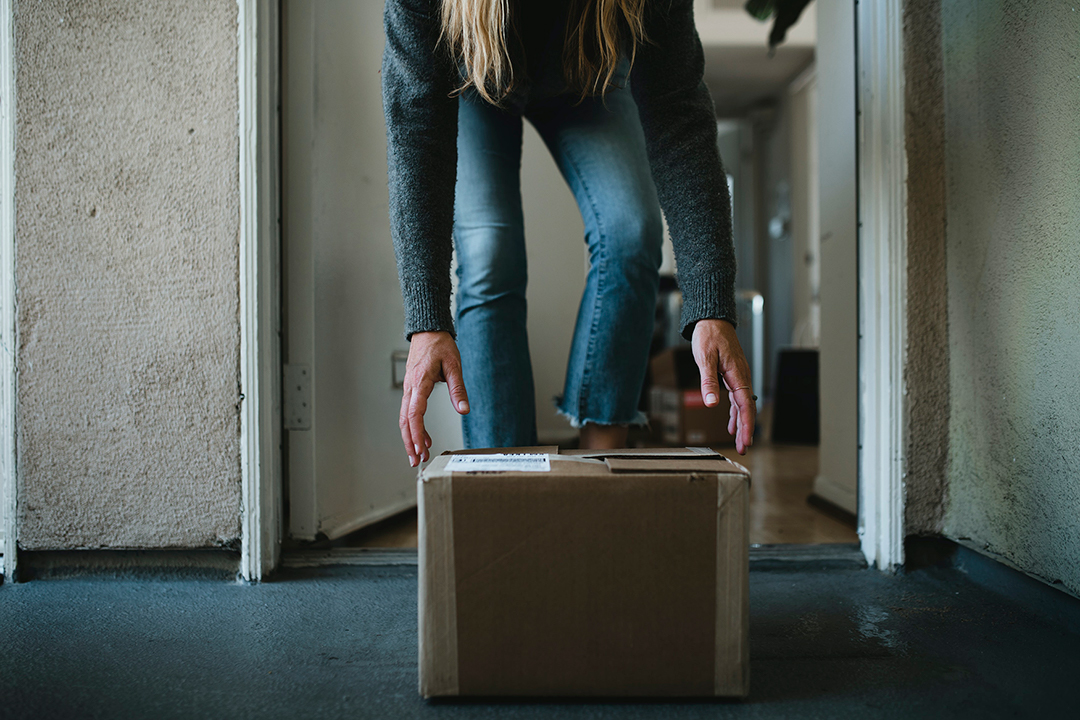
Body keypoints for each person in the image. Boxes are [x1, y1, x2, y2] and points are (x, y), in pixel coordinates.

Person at [382, 0, 755, 466]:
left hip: (589, 68)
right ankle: (503, 481)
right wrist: (427, 320)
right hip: (475, 69)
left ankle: (598, 473)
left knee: (630, 232)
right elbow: (417, 125)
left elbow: (677, 111)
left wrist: (710, 305)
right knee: (490, 254)